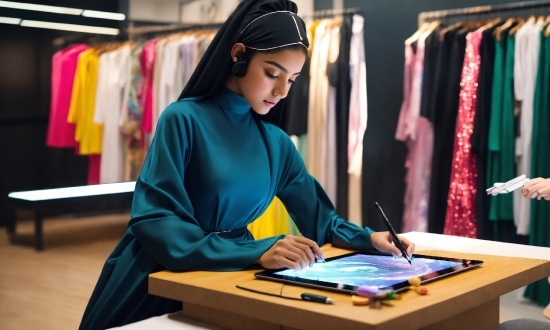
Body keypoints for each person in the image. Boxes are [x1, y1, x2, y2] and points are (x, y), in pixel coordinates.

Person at [78, 1, 415, 329]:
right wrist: (257, 249)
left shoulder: (276, 143)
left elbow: (321, 221)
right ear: (239, 55)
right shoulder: (182, 119)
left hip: (229, 278)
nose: (282, 90)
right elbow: (157, 221)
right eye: (272, 73)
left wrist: (370, 238)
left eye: (293, 79)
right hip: (157, 275)